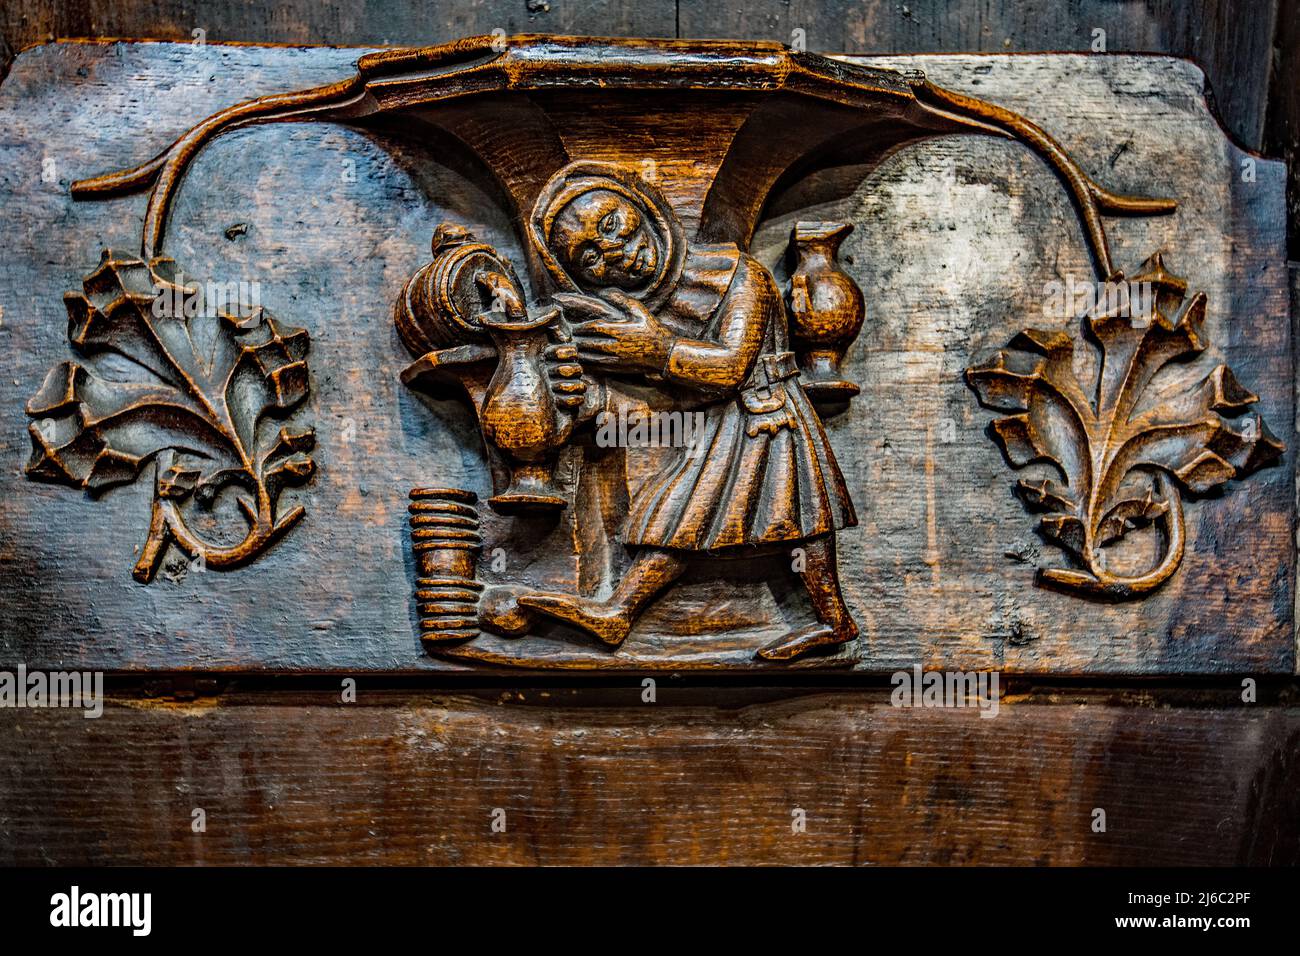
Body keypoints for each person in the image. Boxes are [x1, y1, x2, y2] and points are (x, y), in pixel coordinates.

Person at [519, 162, 858, 661]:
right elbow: (677, 401)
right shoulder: (649, 312)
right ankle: (619, 611)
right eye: (588, 256)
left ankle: (832, 620)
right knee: (680, 513)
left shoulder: (738, 274)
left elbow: (731, 366)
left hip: (769, 413)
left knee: (802, 516)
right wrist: (596, 400)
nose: (612, 251)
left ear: (648, 210)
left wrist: (655, 351)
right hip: (723, 425)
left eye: (612, 224)